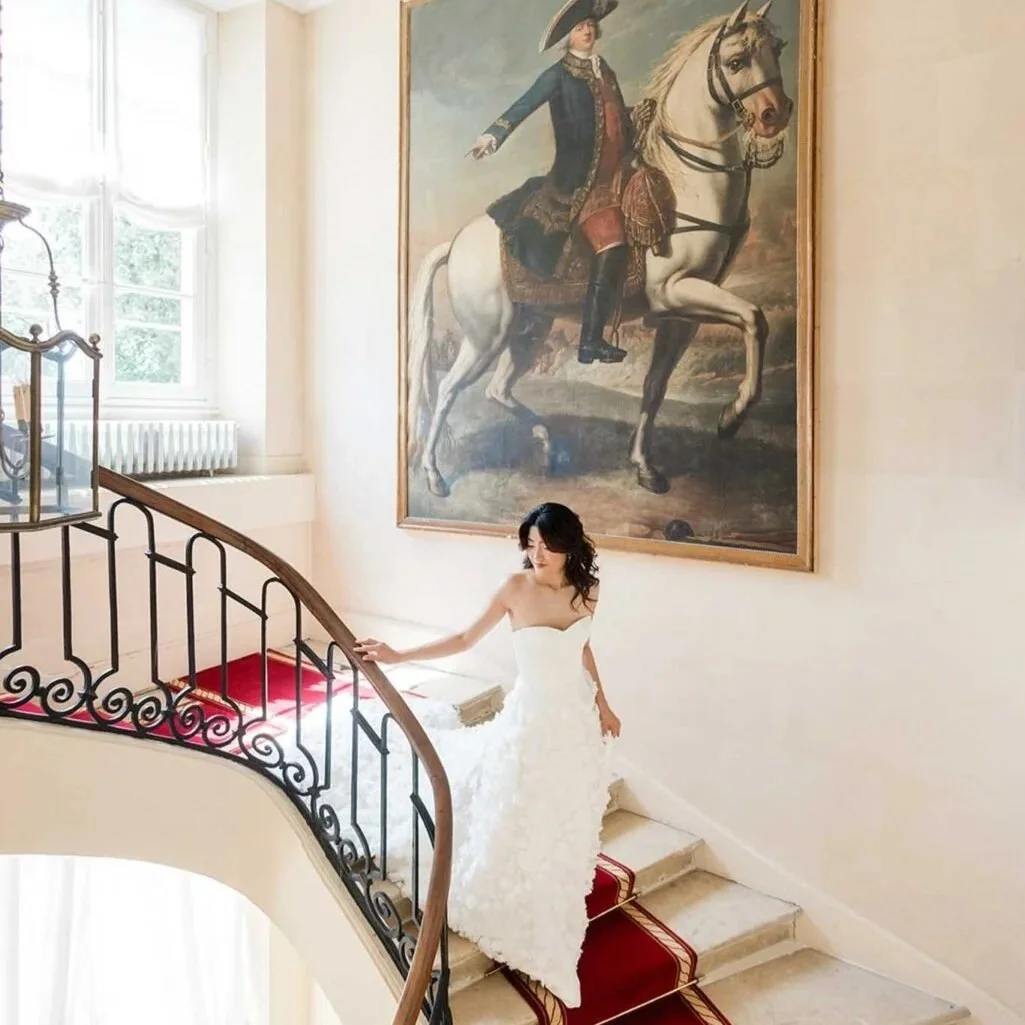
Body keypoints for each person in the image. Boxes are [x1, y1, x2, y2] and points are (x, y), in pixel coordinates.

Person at [355, 503, 622, 1005]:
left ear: (569, 545)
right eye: (530, 543)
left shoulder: (589, 590)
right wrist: (398, 654)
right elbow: (462, 638)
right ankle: (513, 902)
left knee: (561, 817)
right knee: (514, 809)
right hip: (532, 724)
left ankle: (550, 890)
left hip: (573, 723)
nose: (536, 553)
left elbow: (582, 649)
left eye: (546, 544)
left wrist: (604, 704)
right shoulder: (514, 589)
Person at [470, 0, 632, 366]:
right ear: (568, 38)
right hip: (579, 184)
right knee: (613, 247)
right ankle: (590, 341)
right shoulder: (558, 75)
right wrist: (492, 136)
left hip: (618, 173)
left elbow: (613, 118)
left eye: (590, 24)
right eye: (579, 28)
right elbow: (524, 104)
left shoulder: (604, 70)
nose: (587, 30)